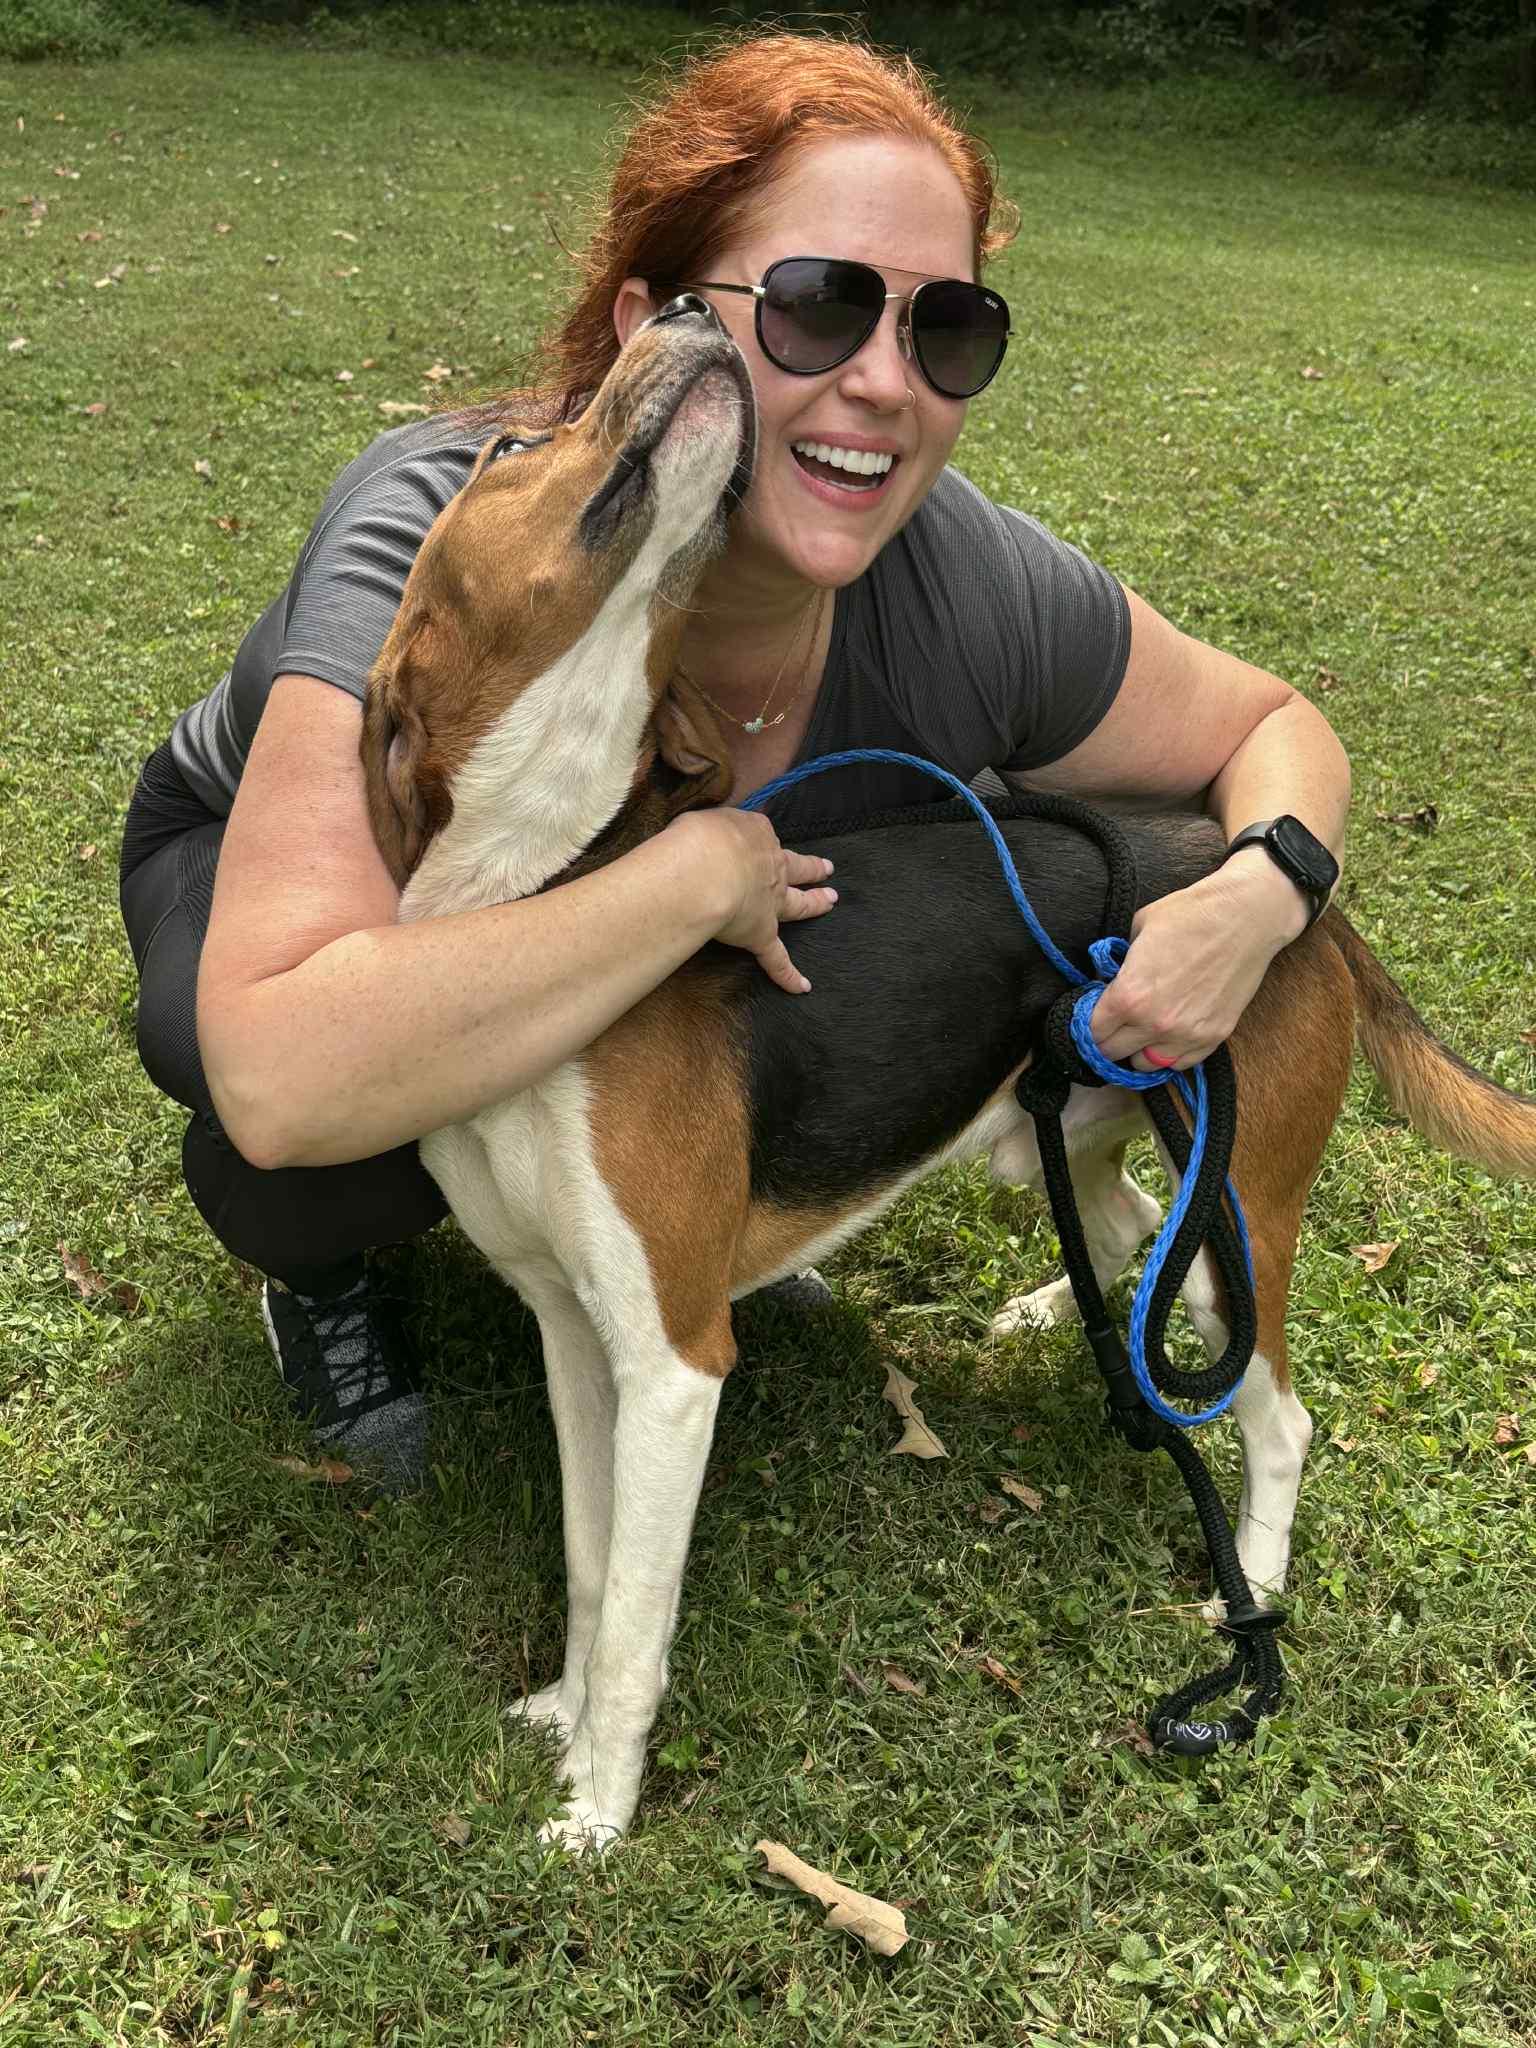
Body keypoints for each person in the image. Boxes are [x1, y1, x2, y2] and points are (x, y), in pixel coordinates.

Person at [118, 32, 1349, 1491]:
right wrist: (698, 876)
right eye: (820, 308)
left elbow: (1277, 730)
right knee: (315, 1120)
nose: (886, 383)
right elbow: (280, 1067)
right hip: (290, 880)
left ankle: (688, 1195)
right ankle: (325, 1272)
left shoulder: (966, 583)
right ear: (654, 326)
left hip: (635, 930)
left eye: (944, 327)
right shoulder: (447, 535)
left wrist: (1260, 895)